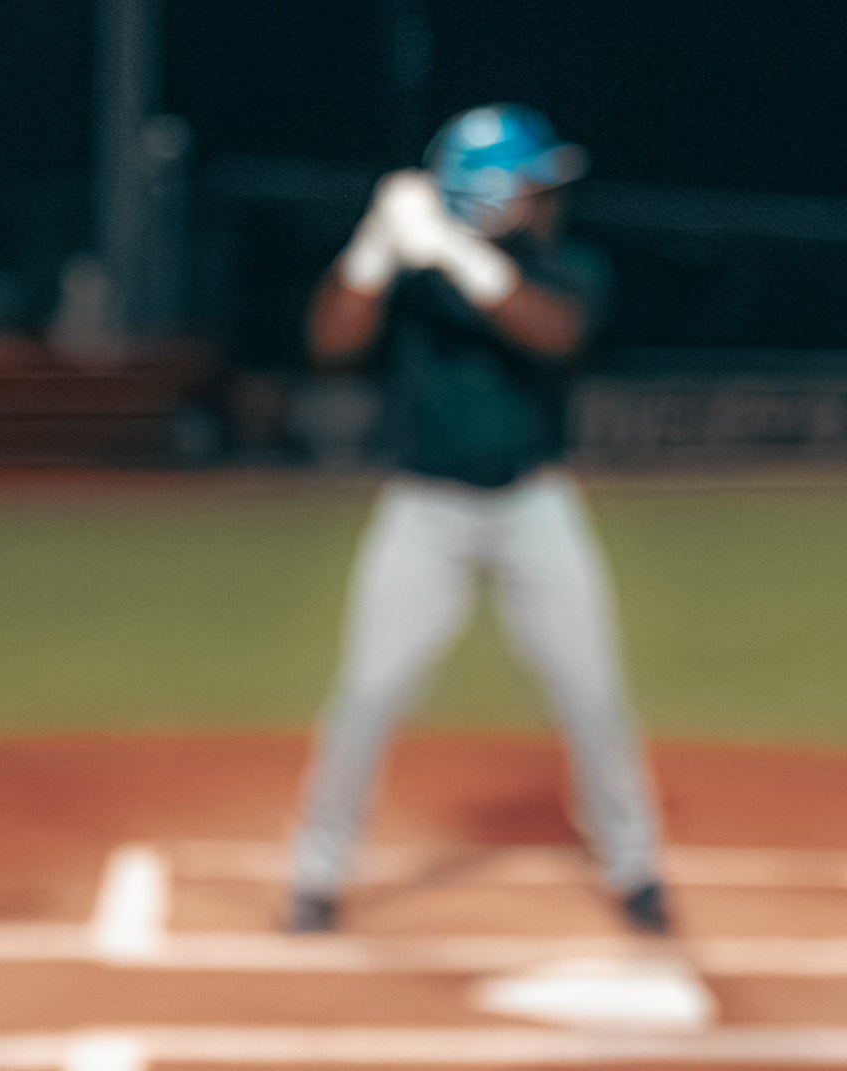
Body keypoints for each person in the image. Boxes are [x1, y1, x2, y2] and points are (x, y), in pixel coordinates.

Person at [286, 104, 670, 935]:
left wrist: (456, 252)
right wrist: (373, 248)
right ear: (484, 193)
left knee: (593, 694)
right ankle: (316, 874)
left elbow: (553, 335)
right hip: (423, 512)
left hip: (537, 506)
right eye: (530, 186)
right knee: (368, 695)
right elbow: (331, 341)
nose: (545, 199)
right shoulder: (415, 276)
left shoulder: (567, 265)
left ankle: (636, 866)